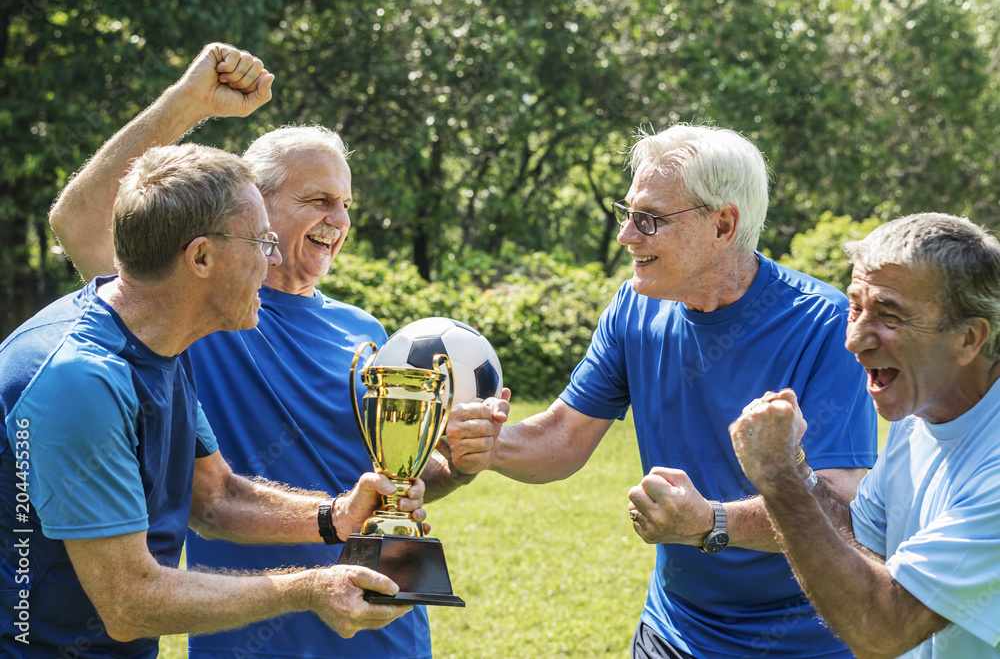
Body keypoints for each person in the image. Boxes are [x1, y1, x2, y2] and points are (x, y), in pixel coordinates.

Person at [48, 43, 508, 659]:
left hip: (383, 629)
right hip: (251, 633)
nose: (338, 219)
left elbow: (398, 481)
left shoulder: (366, 331)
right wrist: (189, 105)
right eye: (318, 200)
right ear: (256, 204)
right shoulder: (198, 302)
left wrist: (459, 462)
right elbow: (79, 223)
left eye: (346, 204)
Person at [447, 123, 878, 658]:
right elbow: (563, 434)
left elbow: (843, 512)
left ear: (723, 225)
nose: (627, 235)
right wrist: (491, 445)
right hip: (672, 632)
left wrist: (710, 522)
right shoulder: (634, 307)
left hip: (807, 641)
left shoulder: (825, 325)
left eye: (648, 219)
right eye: (626, 212)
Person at [1, 140, 426, 658]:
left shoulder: (162, 344)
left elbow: (215, 495)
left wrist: (337, 515)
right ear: (201, 256)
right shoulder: (80, 379)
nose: (271, 259)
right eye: (261, 243)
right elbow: (128, 601)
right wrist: (308, 588)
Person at [729, 212, 1000, 658]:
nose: (854, 339)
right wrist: (796, 468)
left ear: (969, 338)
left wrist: (779, 478)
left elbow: (883, 629)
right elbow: (859, 534)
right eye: (856, 307)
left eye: (889, 315)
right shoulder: (919, 412)